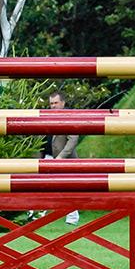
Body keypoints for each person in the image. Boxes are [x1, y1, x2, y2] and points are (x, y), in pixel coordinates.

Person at [41, 90, 81, 225]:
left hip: (64, 159)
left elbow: (73, 140)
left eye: (56, 103)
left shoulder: (70, 116)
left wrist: (61, 158)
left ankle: (72, 218)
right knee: (41, 186)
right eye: (51, 103)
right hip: (46, 157)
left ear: (63, 103)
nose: (53, 106)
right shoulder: (46, 116)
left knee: (67, 188)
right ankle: (38, 215)